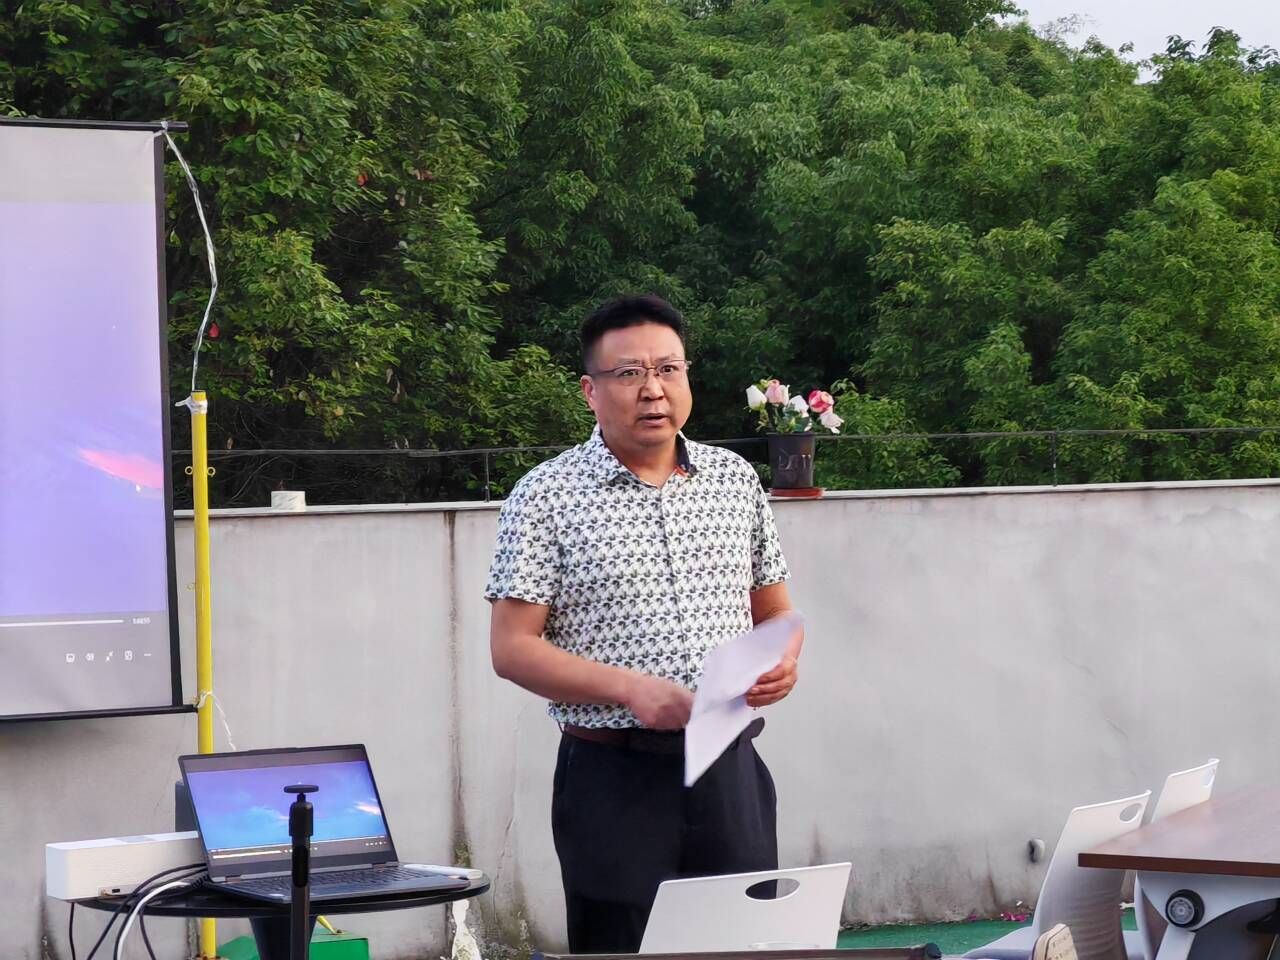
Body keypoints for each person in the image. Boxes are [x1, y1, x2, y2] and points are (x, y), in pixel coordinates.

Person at [485, 294, 803, 953]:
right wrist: (630, 689)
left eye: (668, 369)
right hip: (613, 776)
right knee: (622, 945)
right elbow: (512, 648)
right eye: (629, 373)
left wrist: (783, 660)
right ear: (590, 391)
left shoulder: (734, 480)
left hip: (728, 767)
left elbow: (776, 611)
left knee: (747, 943)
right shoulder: (544, 496)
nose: (652, 389)